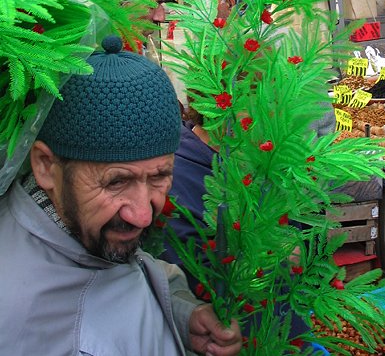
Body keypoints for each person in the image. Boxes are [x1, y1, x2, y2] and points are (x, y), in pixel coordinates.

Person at [0, 35, 242, 356]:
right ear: (46, 166)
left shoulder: (80, 231)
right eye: (115, 182)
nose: (143, 214)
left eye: (160, 176)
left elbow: (132, 271)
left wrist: (181, 317)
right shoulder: (27, 327)